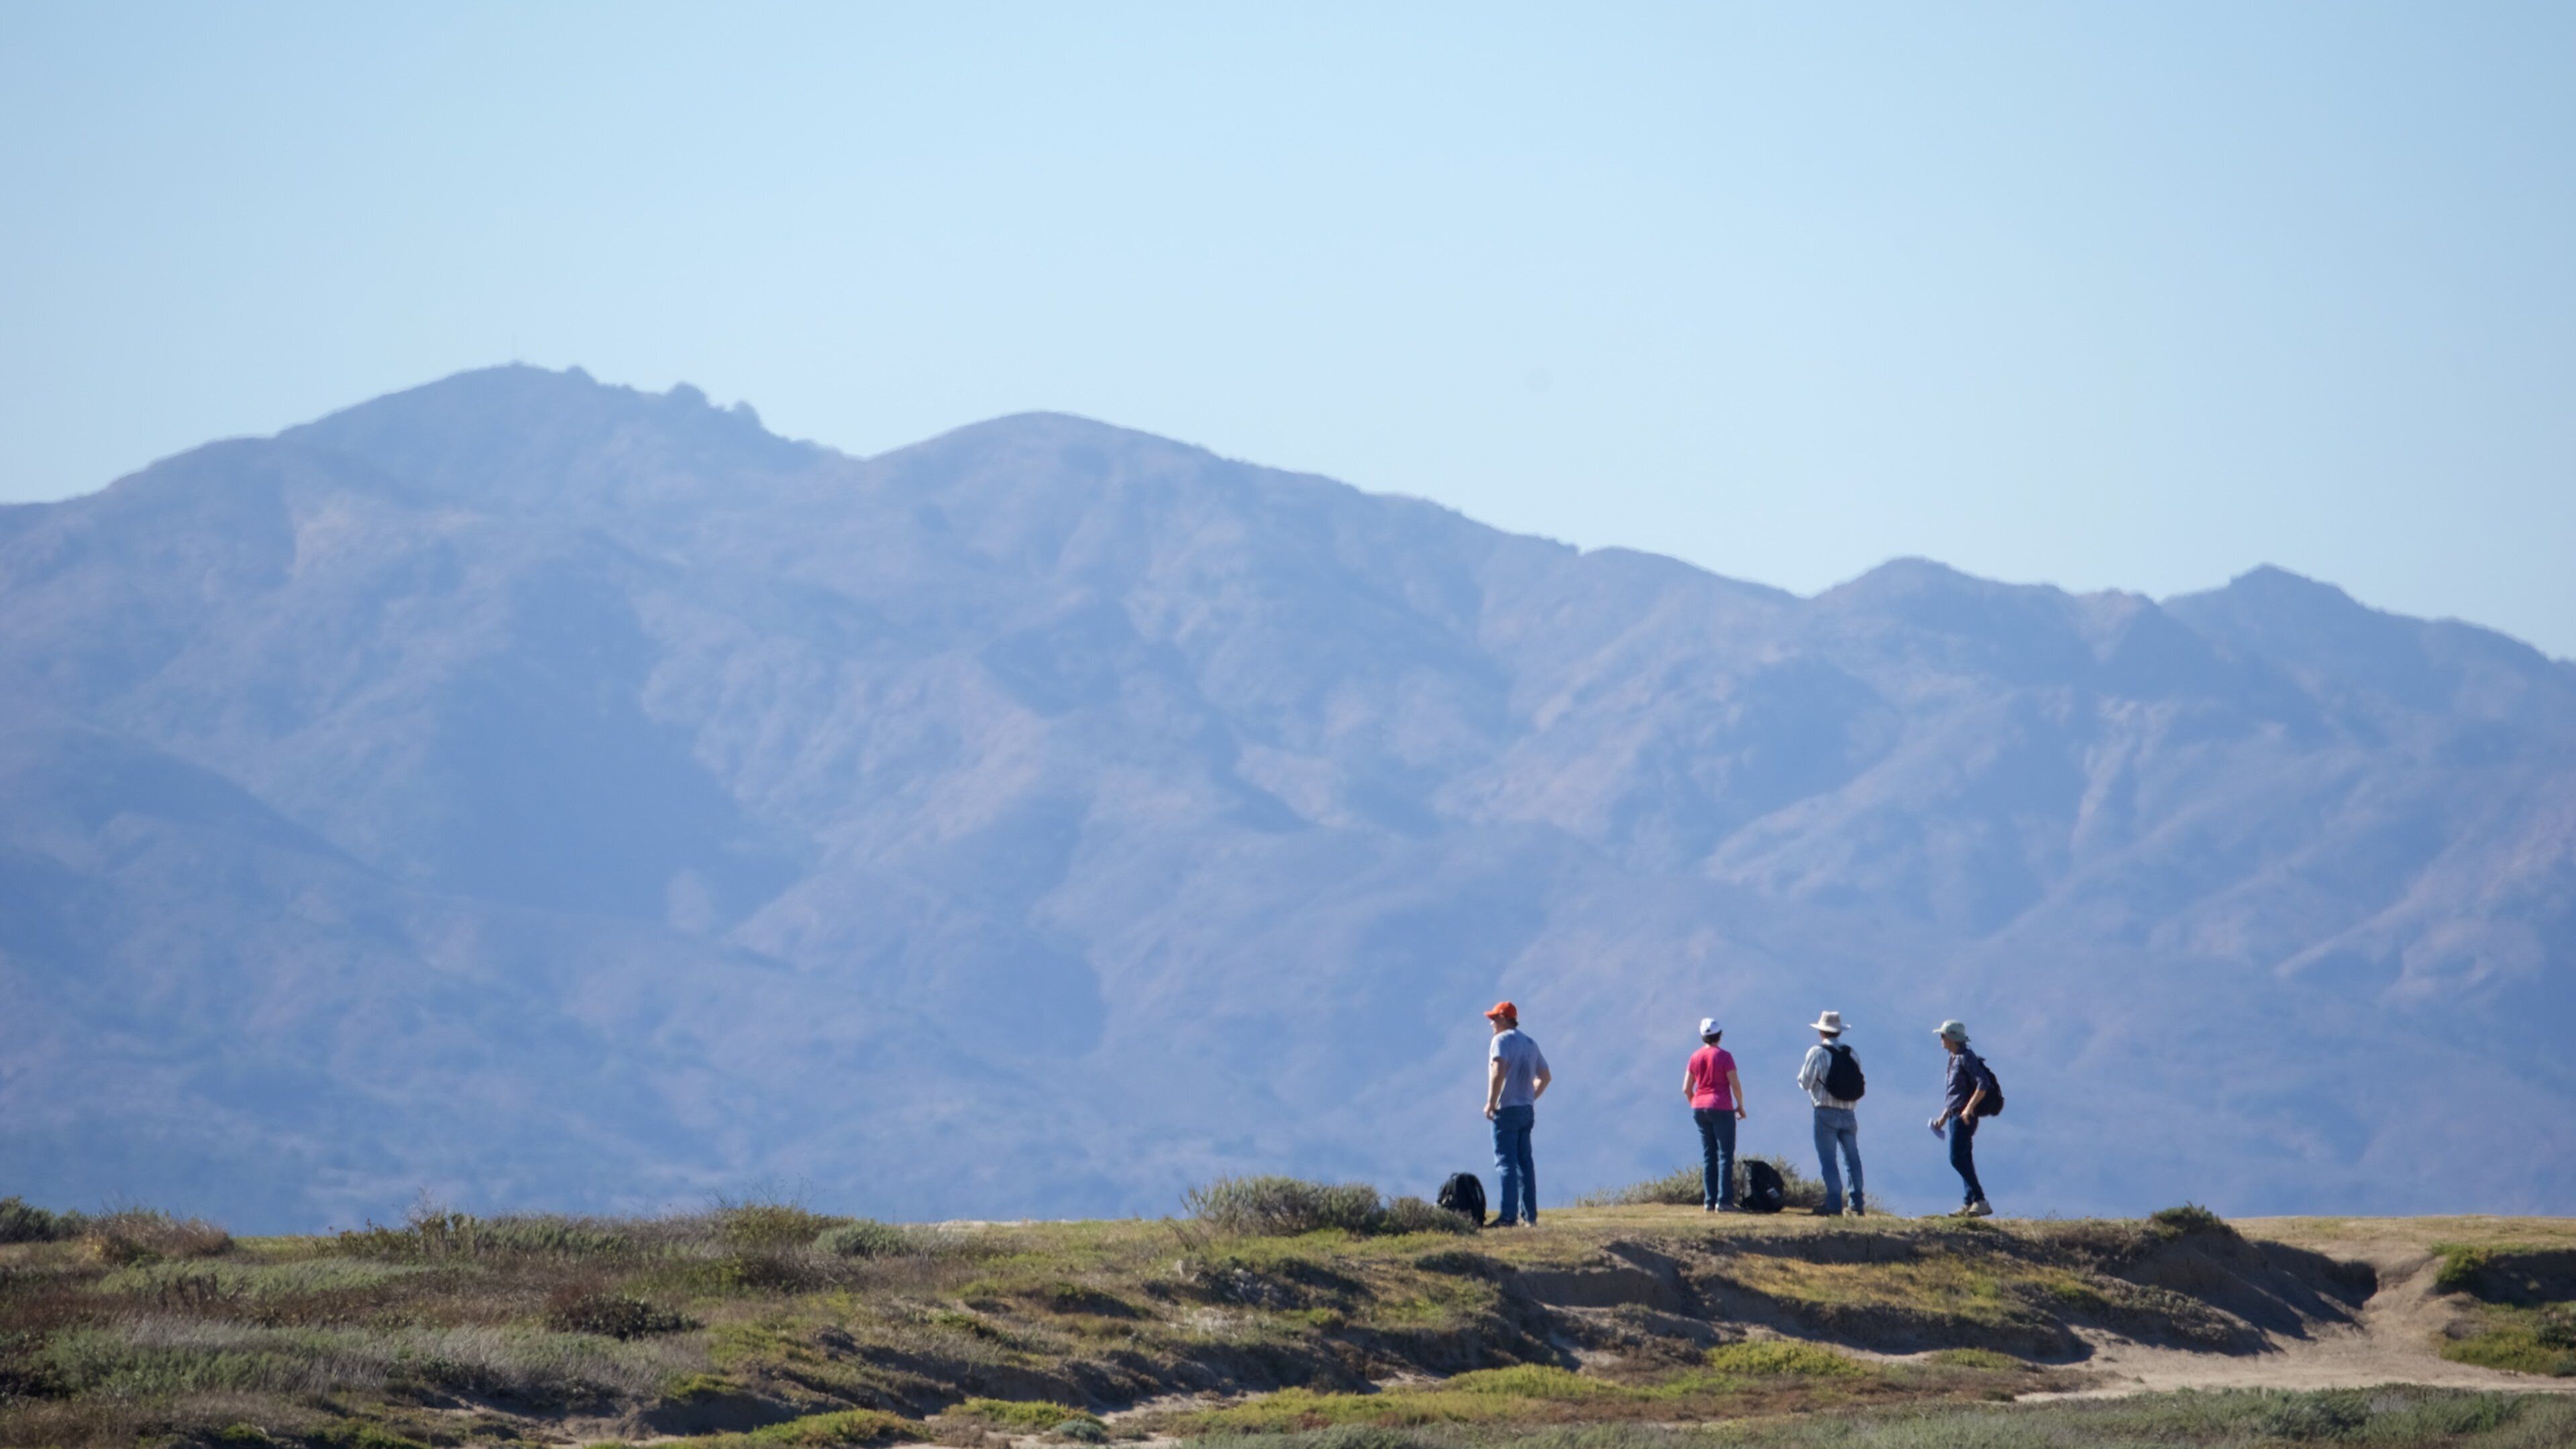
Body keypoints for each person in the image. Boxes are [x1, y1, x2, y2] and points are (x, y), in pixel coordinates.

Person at [1482, 1000, 1551, 1226]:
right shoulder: (1530, 1043)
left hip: (1507, 1109)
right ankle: (1530, 1217)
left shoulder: (1500, 1041)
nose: (1492, 1024)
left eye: (1494, 1019)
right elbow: (1545, 1076)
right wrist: (1531, 1096)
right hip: (1526, 1110)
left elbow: (1498, 1070)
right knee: (1525, 1164)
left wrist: (1491, 1103)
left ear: (1503, 1019)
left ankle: (1508, 1216)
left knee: (1506, 1163)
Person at [1795, 1010, 1865, 1216]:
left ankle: (1834, 1204)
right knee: (1853, 1159)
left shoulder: (1817, 1053)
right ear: (1839, 1032)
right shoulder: (1851, 1053)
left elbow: (1805, 1082)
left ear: (1821, 1032)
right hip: (1849, 1112)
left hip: (1825, 1112)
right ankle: (1856, 1204)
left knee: (1828, 1159)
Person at [1929, 1020, 1996, 1217]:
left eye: (1943, 1036)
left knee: (1957, 1158)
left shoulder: (1966, 1057)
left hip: (1964, 1117)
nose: (1940, 1039)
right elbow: (1955, 1093)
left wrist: (1968, 1109)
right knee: (1964, 1157)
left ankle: (1980, 1199)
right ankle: (1969, 1202)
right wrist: (1943, 1118)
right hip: (1955, 1114)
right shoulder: (1954, 1057)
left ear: (1951, 1038)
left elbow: (1983, 1084)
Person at [1684, 1017, 1746, 1211]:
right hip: (1721, 1107)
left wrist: (1695, 1103)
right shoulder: (1725, 1057)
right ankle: (1724, 1201)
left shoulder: (1695, 1057)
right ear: (1720, 1036)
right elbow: (1735, 1084)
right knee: (1725, 1155)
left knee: (1708, 1155)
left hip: (1699, 1108)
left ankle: (1709, 1201)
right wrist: (1740, 1105)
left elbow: (1686, 1088)